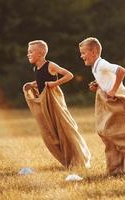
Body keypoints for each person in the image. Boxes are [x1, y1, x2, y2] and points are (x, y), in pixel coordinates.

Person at [79, 37, 125, 176]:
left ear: (94, 52)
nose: (81, 56)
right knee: (109, 133)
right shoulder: (95, 67)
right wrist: (98, 85)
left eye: (83, 52)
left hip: (120, 101)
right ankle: (116, 168)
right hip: (110, 103)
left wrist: (113, 90)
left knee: (123, 134)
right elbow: (107, 78)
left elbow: (121, 71)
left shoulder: (102, 64)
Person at [23, 40, 91, 168]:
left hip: (55, 102)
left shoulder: (50, 65)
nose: (28, 54)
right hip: (45, 103)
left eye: (31, 52)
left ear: (41, 53)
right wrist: (32, 84)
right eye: (28, 52)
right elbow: (42, 81)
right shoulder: (36, 67)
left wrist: (54, 84)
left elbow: (69, 75)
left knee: (64, 127)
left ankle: (79, 159)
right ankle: (66, 158)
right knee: (51, 130)